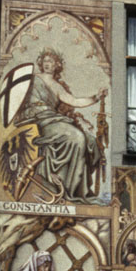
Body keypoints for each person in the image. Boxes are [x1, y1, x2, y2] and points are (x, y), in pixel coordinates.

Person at [10, 49, 105, 201]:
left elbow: (74, 101)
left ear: (57, 66)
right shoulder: (31, 78)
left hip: (51, 118)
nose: (47, 64)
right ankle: (70, 189)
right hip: (37, 118)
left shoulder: (57, 86)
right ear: (41, 63)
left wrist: (95, 98)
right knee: (77, 137)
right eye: (45, 61)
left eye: (51, 62)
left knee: (90, 141)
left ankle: (72, 188)